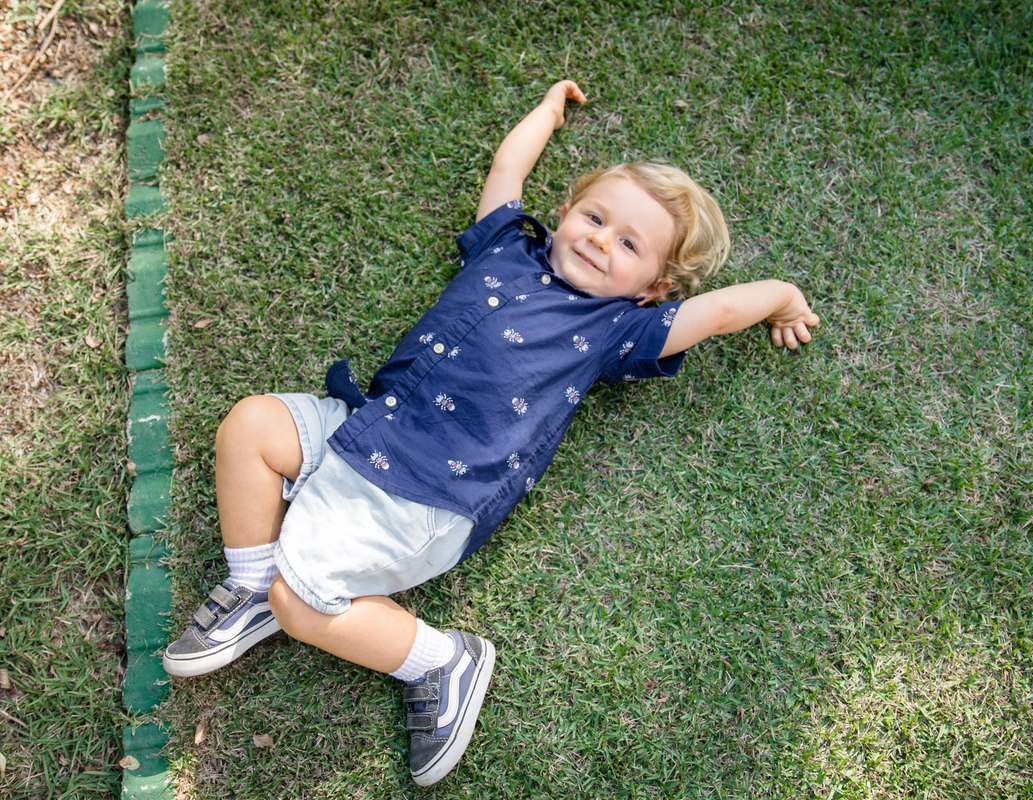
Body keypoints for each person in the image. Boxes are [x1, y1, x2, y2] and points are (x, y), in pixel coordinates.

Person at [162, 79, 819, 786]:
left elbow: (717, 313)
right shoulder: (505, 245)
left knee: (302, 603)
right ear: (563, 213)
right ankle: (250, 585)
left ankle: (443, 662)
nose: (601, 240)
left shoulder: (616, 328)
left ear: (653, 288)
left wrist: (784, 297)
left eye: (629, 244)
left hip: (429, 492)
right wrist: (547, 112)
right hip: (365, 426)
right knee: (252, 424)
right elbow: (508, 169)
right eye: (595, 217)